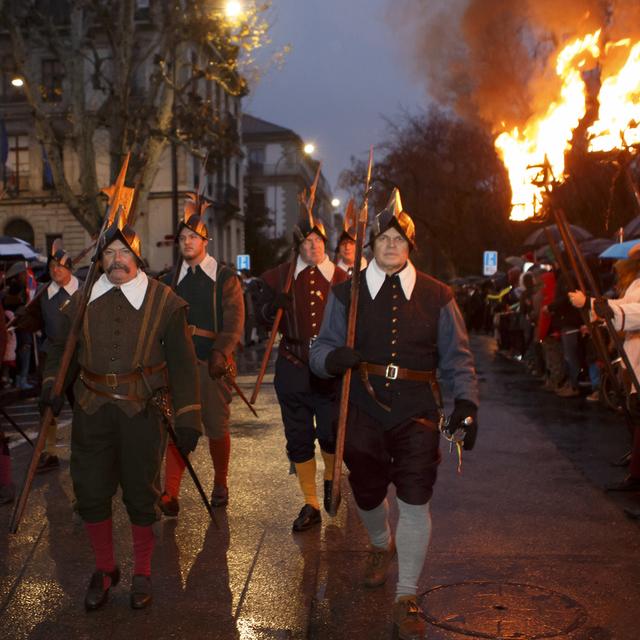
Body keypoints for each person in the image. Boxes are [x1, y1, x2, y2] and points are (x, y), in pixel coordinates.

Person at [309, 189, 479, 640]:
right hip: (361, 408)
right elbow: (319, 349)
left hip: (417, 411)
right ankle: (381, 546)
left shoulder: (438, 295)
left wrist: (466, 404)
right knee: (365, 490)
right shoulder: (345, 294)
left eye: (398, 239)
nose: (390, 245)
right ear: (371, 246)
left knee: (415, 495)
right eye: (382, 238)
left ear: (409, 247)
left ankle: (407, 595)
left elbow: (458, 358)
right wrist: (332, 360)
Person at [40, 221, 202, 611]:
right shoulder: (81, 301)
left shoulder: (163, 300)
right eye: (109, 254)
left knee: (141, 494)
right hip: (91, 408)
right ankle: (105, 568)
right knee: (91, 492)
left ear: (138, 256)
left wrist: (188, 417)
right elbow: (61, 347)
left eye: (124, 252)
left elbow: (182, 363)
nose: (117, 261)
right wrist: (52, 384)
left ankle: (142, 570)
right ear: (100, 261)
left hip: (140, 410)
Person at [256, 212, 348, 532]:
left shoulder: (341, 279)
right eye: (307, 242)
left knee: (331, 431)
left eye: (318, 241)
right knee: (298, 436)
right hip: (292, 363)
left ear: (326, 243)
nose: (313, 247)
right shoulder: (280, 277)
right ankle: (310, 503)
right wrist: (270, 308)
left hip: (329, 368)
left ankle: (330, 481)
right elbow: (262, 320)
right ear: (298, 247)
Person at [160, 197, 244, 516]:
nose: (186, 243)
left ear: (204, 241)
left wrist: (221, 352)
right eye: (182, 239)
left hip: (212, 363)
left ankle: (220, 483)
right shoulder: (170, 280)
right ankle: (170, 493)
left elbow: (234, 319)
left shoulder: (224, 277)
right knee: (178, 423)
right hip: (178, 363)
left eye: (192, 238)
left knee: (215, 425)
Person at [15, 247, 81, 472]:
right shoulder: (43, 292)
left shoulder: (85, 290)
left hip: (82, 356)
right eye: (52, 267)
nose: (55, 270)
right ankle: (49, 452)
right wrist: (23, 318)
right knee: (47, 401)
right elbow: (34, 320)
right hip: (52, 354)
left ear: (69, 268)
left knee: (83, 405)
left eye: (60, 266)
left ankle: (87, 451)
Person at [335, 201, 367, 276]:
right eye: (343, 244)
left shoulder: (370, 271)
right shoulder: (332, 273)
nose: (347, 247)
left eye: (351, 243)